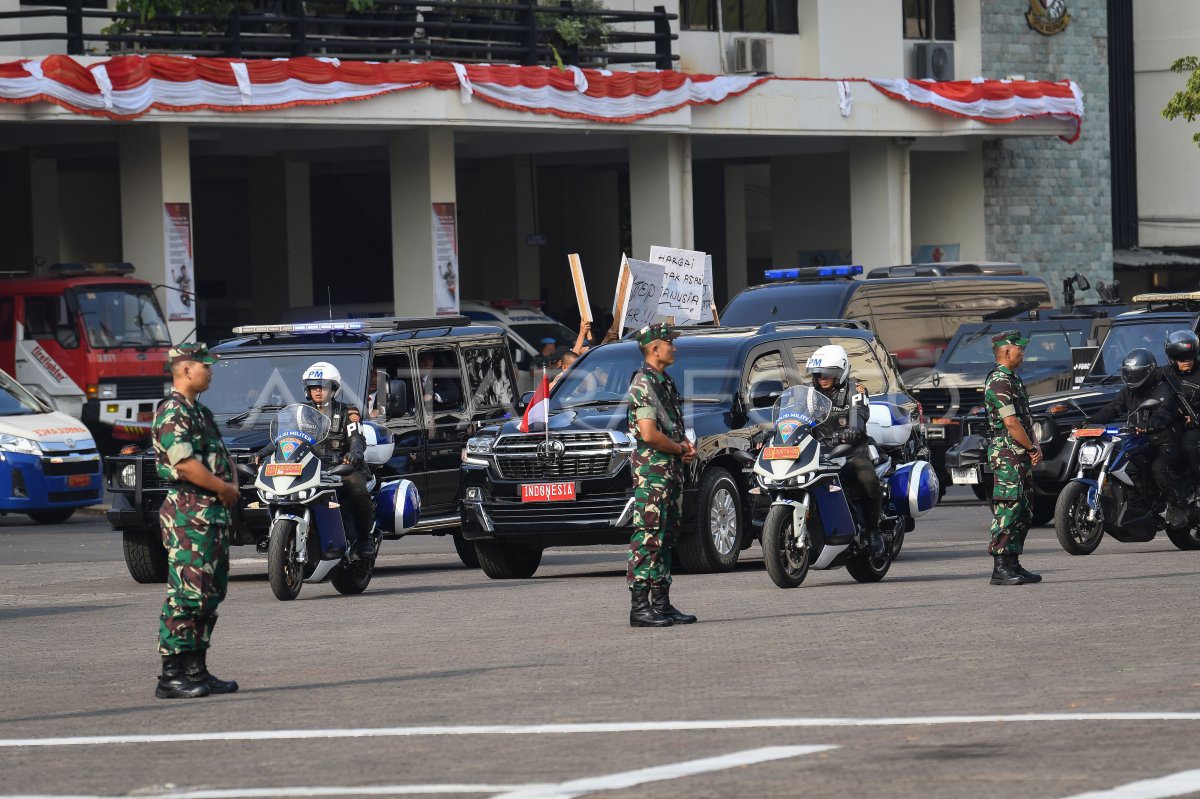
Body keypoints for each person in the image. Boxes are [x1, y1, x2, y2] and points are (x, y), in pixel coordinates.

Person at [152, 343, 240, 699]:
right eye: (205, 365)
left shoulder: (198, 412)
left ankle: (196, 670)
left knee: (209, 592)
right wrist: (224, 488)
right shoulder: (173, 412)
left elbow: (219, 456)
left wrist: (230, 484)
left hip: (210, 513)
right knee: (186, 594)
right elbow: (186, 464)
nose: (211, 370)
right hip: (189, 513)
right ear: (186, 369)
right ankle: (170, 676)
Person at [625, 323, 697, 627]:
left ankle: (661, 603)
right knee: (648, 536)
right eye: (670, 342)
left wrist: (684, 446)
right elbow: (650, 435)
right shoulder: (644, 384)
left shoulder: (663, 381)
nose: (675, 347)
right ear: (655, 348)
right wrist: (680, 450)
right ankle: (640, 606)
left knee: (667, 537)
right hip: (652, 472)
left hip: (668, 472)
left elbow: (669, 429)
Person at [1091, 347, 1188, 526]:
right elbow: (1112, 409)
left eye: (1135, 374)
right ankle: (1136, 503)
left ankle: (1178, 506)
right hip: (1141, 441)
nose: (1131, 378)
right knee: (1125, 463)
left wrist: (1149, 426)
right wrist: (1089, 422)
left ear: (1149, 372)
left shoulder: (1163, 390)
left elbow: (1163, 413)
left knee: (1159, 469)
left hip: (1165, 441)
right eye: (1128, 373)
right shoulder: (1128, 392)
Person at [805, 344, 885, 559]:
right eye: (818, 374)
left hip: (851, 451)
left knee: (868, 479)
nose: (822, 378)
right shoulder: (809, 395)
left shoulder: (856, 390)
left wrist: (852, 431)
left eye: (828, 373)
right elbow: (796, 419)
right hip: (819, 453)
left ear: (840, 372)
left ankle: (873, 531)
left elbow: (859, 417)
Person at [982, 330, 1043, 586]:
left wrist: (1034, 445)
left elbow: (1025, 419)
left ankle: (1014, 562)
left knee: (1024, 509)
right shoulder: (999, 381)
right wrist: (1030, 447)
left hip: (1019, 452)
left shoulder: (1013, 379)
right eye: (1019, 348)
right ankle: (1000, 567)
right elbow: (1010, 422)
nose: (1023, 352)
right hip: (1008, 453)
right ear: (1006, 350)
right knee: (1008, 508)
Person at [301, 362, 377, 557]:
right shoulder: (302, 413)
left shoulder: (346, 413)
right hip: (312, 468)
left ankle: (365, 538)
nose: (318, 390)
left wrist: (354, 454)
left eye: (323, 386)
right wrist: (264, 453)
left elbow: (357, 439)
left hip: (343, 467)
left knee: (357, 491)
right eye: (313, 386)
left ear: (333, 388)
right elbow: (286, 437)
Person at [1162, 330, 1200, 489]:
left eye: (1190, 356)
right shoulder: (1163, 374)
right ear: (1171, 358)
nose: (1187, 361)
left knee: (1188, 445)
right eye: (1181, 358)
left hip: (1196, 426)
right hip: (1170, 423)